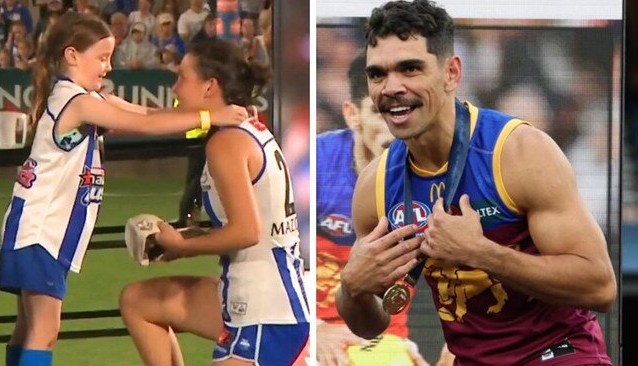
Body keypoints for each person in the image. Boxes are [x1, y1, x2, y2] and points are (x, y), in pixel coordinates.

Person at [336, 1, 617, 365]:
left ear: (451, 73)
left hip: (555, 353)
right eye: (377, 75)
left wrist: (480, 252)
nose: (391, 87)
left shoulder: (517, 152)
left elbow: (601, 286)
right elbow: (371, 325)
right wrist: (351, 289)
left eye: (410, 69)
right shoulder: (375, 186)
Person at [0, 12, 247, 366]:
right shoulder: (77, 102)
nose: (108, 67)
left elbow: (147, 115)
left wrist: (203, 117)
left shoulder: (83, 98)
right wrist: (211, 118)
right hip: (39, 232)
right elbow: (140, 125)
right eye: (101, 58)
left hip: (32, 229)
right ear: (72, 56)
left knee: (27, 327)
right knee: (44, 330)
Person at [119, 39, 309, 366]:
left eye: (182, 77)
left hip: (265, 312)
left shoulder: (226, 143)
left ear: (210, 86)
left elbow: (247, 232)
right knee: (139, 301)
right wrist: (177, 237)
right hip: (247, 293)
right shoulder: (244, 129)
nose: (175, 86)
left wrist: (181, 245)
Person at [317, 52, 440, 366]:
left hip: (385, 341)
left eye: (402, 110)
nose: (392, 125)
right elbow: (275, 256)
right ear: (352, 115)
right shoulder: (315, 166)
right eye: (377, 111)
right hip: (312, 330)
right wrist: (313, 330)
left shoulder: (437, 177)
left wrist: (455, 352)